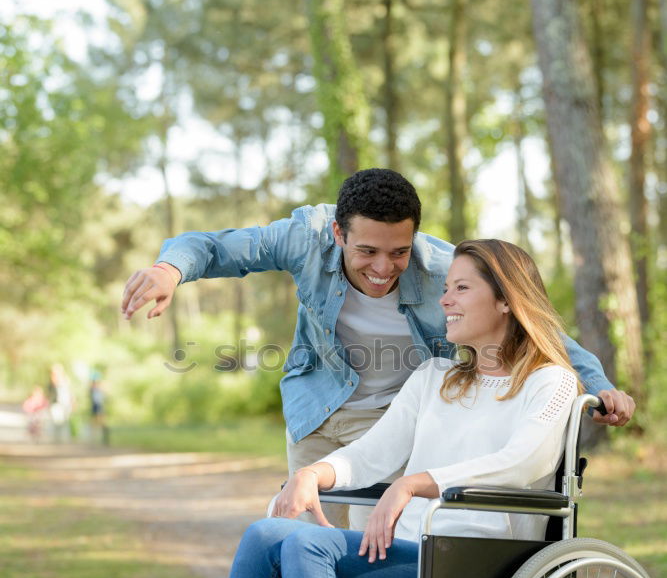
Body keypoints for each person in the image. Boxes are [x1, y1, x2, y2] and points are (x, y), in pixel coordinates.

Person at [128, 238, 589, 578]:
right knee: (265, 535)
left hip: (476, 565)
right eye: (445, 289)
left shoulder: (551, 382)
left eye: (461, 288)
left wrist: (416, 485)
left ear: (508, 300)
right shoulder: (435, 377)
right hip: (409, 561)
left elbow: (522, 462)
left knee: (306, 543)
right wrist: (314, 474)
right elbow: (373, 452)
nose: (445, 301)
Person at [120, 169, 634, 527]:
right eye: (366, 251)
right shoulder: (305, 238)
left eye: (398, 252)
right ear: (339, 233)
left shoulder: (442, 270)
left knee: (370, 554)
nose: (384, 269)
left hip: (391, 423)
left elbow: (535, 321)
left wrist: (600, 384)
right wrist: (169, 269)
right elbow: (215, 246)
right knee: (308, 551)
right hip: (315, 415)